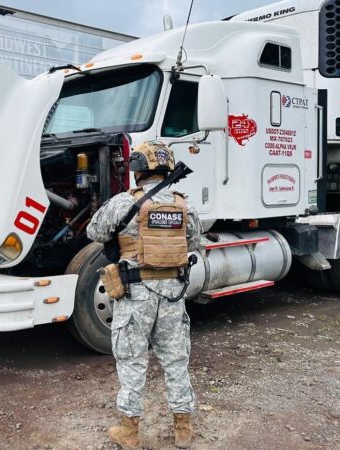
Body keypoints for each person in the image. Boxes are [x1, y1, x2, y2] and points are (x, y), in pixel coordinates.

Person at [87, 141, 202, 449]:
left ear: (138, 170)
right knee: (176, 360)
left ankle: (129, 431)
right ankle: (183, 428)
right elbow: (193, 242)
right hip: (173, 295)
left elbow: (95, 232)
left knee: (131, 360)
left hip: (135, 294)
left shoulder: (124, 202)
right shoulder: (184, 204)